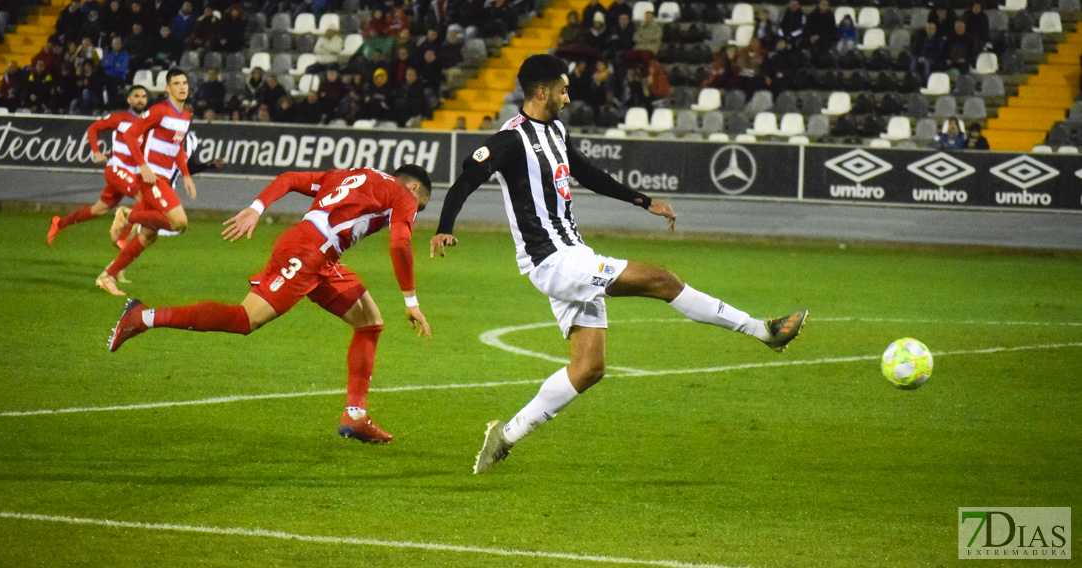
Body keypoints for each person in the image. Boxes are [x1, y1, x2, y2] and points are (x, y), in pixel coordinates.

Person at [429, 54, 809, 474]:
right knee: (661, 279)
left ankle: (505, 437)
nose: (567, 96)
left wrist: (642, 201)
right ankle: (763, 330)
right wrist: (444, 226)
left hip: (574, 255)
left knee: (589, 368)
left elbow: (588, 173)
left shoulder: (555, 129)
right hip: (552, 261)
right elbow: (466, 179)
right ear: (542, 91)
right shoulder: (509, 140)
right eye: (562, 89)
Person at [107, 164, 434, 443]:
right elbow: (400, 244)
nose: (414, 213)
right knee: (245, 319)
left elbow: (291, 178)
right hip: (306, 254)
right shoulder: (402, 196)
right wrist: (411, 300)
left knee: (369, 322)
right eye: (420, 207)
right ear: (414, 188)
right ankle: (143, 316)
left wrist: (256, 207)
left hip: (318, 255)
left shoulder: (353, 175)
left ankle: (355, 416)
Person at [96, 69, 196, 295]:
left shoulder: (185, 116)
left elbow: (177, 146)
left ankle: (107, 276)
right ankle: (126, 214)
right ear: (167, 89)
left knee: (148, 236)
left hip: (162, 179)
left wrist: (186, 175)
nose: (182, 87)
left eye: (185, 82)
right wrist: (142, 165)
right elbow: (131, 134)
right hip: (151, 178)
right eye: (176, 83)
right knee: (178, 222)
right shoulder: (159, 111)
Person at [47, 85, 150, 248]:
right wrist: (96, 152)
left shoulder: (147, 124)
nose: (140, 99)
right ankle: (123, 238)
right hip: (116, 169)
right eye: (136, 96)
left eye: (143, 96)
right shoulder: (119, 118)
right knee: (144, 199)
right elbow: (93, 128)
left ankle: (59, 223)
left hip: (128, 173)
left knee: (98, 210)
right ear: (129, 100)